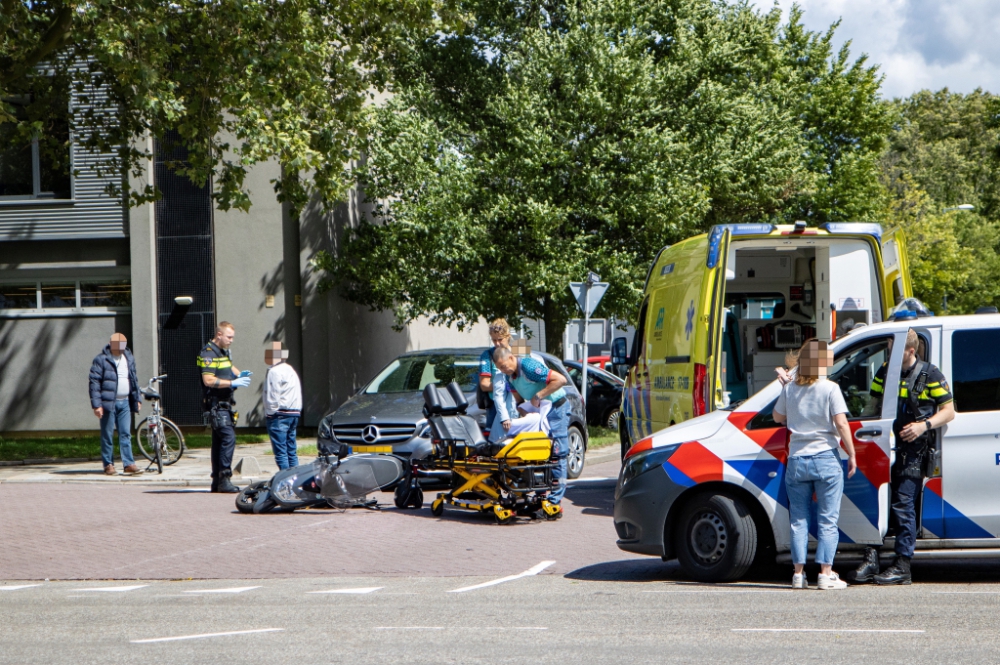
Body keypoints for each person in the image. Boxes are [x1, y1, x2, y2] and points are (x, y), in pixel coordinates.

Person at [851, 328, 955, 585]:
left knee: (903, 505)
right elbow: (872, 405)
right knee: (877, 503)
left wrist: (924, 425)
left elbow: (949, 410)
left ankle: (902, 566)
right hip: (882, 449)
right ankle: (871, 557)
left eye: (893, 347)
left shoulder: (930, 374)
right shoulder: (886, 371)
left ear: (910, 350)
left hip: (913, 452)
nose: (889, 352)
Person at [773, 339, 857, 590]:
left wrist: (786, 386)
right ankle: (825, 573)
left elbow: (778, 417)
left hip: (797, 460)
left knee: (798, 520)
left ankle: (798, 574)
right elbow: (841, 424)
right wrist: (852, 453)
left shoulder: (790, 389)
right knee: (827, 519)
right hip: (826, 459)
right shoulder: (830, 388)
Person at [492, 346, 569, 516]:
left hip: (556, 408)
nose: (503, 370)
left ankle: (555, 502)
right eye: (500, 368)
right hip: (540, 412)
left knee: (557, 453)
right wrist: (525, 413)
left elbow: (560, 380)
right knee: (538, 454)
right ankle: (540, 498)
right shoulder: (510, 377)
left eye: (504, 366)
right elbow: (518, 400)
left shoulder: (527, 366)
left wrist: (538, 396)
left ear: (512, 358)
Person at [197, 322, 252, 493]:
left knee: (219, 442)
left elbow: (228, 366)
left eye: (233, 337)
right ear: (219, 335)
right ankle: (224, 479)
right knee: (228, 438)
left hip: (224, 404)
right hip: (216, 405)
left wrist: (239, 373)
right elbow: (208, 380)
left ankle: (217, 481)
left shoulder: (221, 352)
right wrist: (233, 382)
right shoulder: (208, 353)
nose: (231, 340)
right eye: (229, 337)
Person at [89, 333, 143, 476]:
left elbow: (133, 379)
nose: (120, 349)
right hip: (108, 403)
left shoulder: (128, 358)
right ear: (110, 344)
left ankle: (129, 464)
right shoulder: (101, 360)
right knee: (107, 434)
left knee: (125, 433)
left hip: (124, 401)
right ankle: (108, 464)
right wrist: (97, 405)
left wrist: (137, 398)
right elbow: (94, 383)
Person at [263, 341, 302, 471]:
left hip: (279, 414)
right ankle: (295, 479)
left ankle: (285, 481)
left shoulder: (274, 371)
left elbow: (273, 394)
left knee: (281, 452)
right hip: (294, 412)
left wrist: (270, 412)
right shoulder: (291, 369)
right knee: (291, 450)